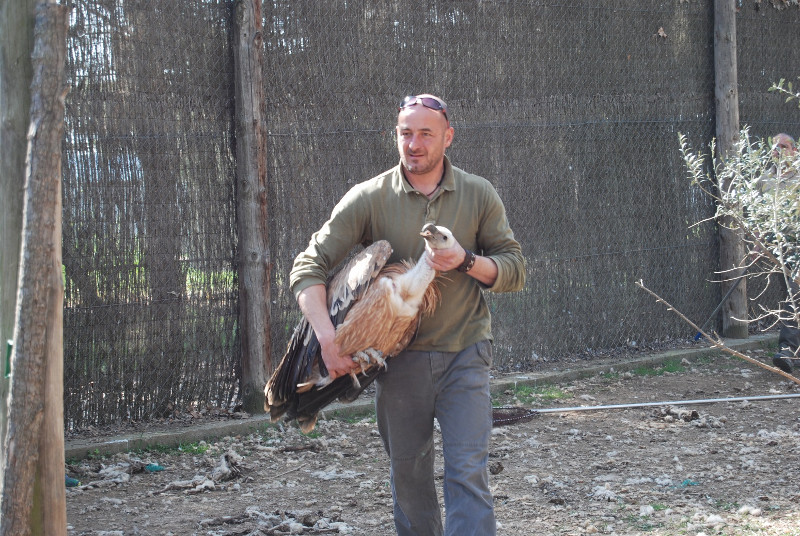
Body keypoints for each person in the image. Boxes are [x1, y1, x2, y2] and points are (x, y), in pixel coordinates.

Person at [288, 94, 526, 535]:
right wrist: (327, 339)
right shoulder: (370, 197)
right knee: (410, 479)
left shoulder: (478, 193)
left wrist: (465, 260)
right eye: (405, 133)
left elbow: (514, 269)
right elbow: (309, 266)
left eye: (425, 134)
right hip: (397, 362)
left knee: (467, 473)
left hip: (465, 352)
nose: (414, 144)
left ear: (448, 138)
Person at [759, 133, 800, 373]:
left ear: (794, 150)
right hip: (780, 248)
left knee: (793, 297)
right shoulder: (766, 180)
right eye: (775, 146)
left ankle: (787, 351)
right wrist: (758, 244)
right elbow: (762, 216)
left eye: (783, 146)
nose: (779, 150)